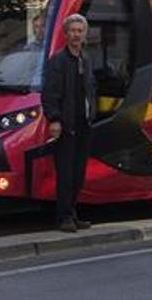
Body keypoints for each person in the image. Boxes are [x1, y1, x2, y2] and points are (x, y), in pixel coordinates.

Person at [40, 14, 108, 232]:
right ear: (66, 34)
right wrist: (55, 119)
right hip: (66, 125)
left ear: (84, 34)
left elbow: (91, 89)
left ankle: (73, 212)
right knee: (66, 173)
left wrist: (93, 114)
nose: (76, 34)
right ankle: (63, 217)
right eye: (73, 30)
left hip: (83, 125)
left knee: (78, 173)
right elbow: (50, 93)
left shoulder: (86, 60)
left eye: (80, 31)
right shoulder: (58, 61)